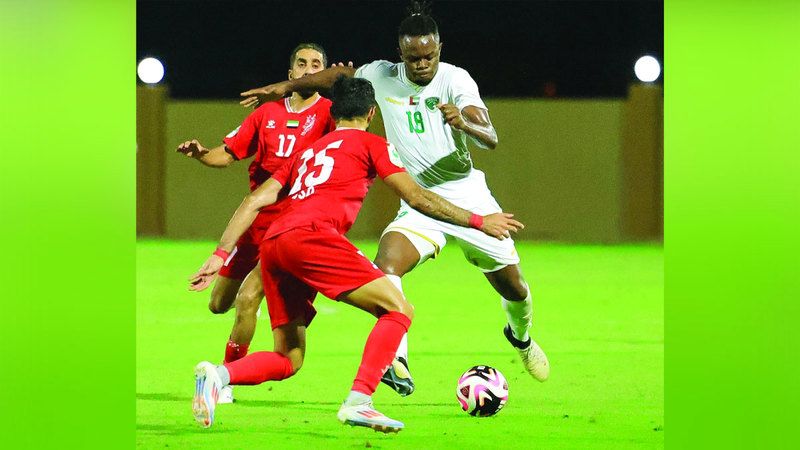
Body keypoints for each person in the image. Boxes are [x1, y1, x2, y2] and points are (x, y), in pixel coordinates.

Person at [239, 1, 550, 383]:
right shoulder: (381, 76)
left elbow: (491, 137)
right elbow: (336, 78)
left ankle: (520, 338)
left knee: (514, 288)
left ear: (439, 49)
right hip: (419, 198)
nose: (422, 64)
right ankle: (395, 362)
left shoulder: (456, 80)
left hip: (467, 193)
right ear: (400, 53)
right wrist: (287, 86)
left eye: (429, 56)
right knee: (388, 262)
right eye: (413, 57)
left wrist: (465, 125)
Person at [190, 76, 523, 432]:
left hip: (275, 244)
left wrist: (220, 254)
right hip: (313, 238)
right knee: (398, 309)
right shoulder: (371, 144)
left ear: (332, 114)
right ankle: (360, 402)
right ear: (372, 112)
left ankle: (217, 376)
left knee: (288, 358)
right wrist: (477, 219)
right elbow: (417, 197)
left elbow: (255, 199)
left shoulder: (306, 152)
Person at [176, 43, 336, 403]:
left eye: (316, 65)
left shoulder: (330, 113)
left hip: (293, 228)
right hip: (254, 225)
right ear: (291, 71)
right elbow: (228, 154)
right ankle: (263, 314)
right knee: (219, 303)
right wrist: (202, 155)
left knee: (249, 298)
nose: (309, 70)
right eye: (302, 63)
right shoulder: (267, 114)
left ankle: (224, 381)